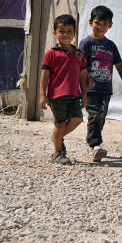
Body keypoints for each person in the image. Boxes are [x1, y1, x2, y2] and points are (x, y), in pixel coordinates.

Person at [78, 5, 122, 162]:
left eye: (104, 23)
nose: (100, 26)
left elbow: (119, 65)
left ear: (110, 25)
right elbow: (81, 65)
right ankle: (94, 145)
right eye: (97, 23)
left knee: (101, 116)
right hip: (91, 88)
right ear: (90, 22)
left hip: (106, 88)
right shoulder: (86, 43)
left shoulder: (110, 45)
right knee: (94, 114)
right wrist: (86, 80)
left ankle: (92, 143)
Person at [40, 14, 90, 165]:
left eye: (69, 31)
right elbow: (45, 76)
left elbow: (83, 76)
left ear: (74, 33)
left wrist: (85, 94)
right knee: (60, 122)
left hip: (75, 94)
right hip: (57, 95)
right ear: (54, 33)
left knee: (77, 119)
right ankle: (57, 153)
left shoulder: (79, 55)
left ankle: (57, 138)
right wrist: (43, 95)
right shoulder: (51, 54)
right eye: (62, 31)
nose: (66, 35)